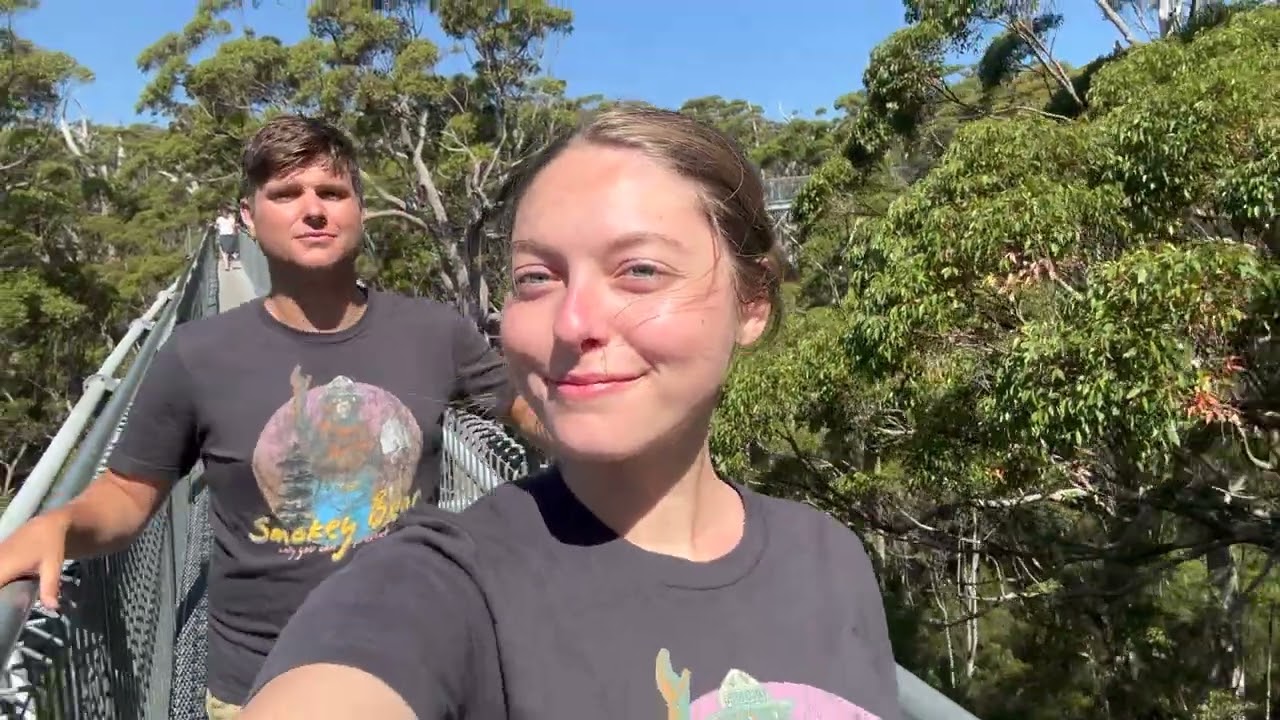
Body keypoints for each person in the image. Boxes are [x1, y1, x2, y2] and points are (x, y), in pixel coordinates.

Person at [242, 107, 903, 719]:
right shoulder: (445, 581)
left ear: (752, 303)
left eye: (640, 270)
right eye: (536, 278)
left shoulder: (828, 559)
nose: (574, 321)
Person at [0, 115, 546, 720]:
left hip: (410, 660)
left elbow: (527, 406)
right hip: (258, 682)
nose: (313, 210)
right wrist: (62, 524)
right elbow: (128, 496)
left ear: (359, 210)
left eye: (332, 193)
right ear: (249, 217)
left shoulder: (436, 333)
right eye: (285, 194)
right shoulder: (197, 355)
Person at [214, 204, 240, 270]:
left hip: (230, 236)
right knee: (225, 252)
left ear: (228, 212)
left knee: (230, 252)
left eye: (226, 212)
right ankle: (226, 266)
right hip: (223, 236)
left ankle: (229, 264)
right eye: (223, 212)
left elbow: (234, 227)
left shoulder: (231, 219)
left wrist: (235, 232)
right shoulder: (219, 219)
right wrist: (216, 227)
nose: (225, 213)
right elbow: (216, 226)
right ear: (222, 213)